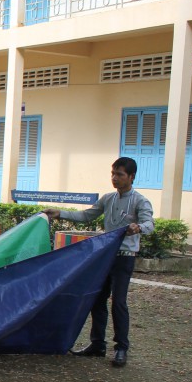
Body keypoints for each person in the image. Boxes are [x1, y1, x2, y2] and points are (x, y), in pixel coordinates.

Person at [43, 156, 155, 368]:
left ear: (131, 177)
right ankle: (97, 345)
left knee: (119, 302)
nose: (115, 178)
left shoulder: (140, 201)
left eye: (120, 174)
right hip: (105, 257)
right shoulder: (108, 199)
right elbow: (87, 215)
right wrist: (58, 213)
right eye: (113, 174)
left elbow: (149, 223)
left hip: (124, 258)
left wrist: (138, 227)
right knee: (97, 299)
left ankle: (121, 348)